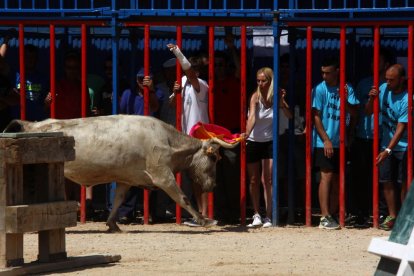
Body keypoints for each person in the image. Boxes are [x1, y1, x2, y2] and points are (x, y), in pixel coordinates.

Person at [312, 56, 359, 230]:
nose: (324, 76)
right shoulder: (318, 89)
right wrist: (325, 140)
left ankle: (332, 214)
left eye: (328, 73)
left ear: (337, 71)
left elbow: (355, 112)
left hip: (341, 141)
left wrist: (344, 99)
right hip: (324, 141)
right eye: (322, 73)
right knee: (326, 177)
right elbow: (315, 116)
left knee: (338, 179)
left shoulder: (347, 88)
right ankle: (324, 217)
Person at [350, 48, 394, 227]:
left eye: (377, 61)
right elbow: (361, 113)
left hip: (384, 139)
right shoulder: (363, 84)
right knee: (361, 177)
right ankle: (361, 213)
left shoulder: (391, 87)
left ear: (386, 65)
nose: (373, 65)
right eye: (371, 62)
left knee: (384, 179)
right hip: (363, 136)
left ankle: (382, 214)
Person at [167, 43, 210, 227]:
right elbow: (172, 107)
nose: (187, 74)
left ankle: (205, 214)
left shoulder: (201, 84)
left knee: (202, 177)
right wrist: (175, 94)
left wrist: (177, 52)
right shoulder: (184, 83)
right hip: (186, 138)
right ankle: (199, 215)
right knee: (193, 178)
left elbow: (190, 73)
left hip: (200, 137)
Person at [116, 67, 164, 224]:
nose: (143, 81)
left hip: (151, 141)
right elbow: (121, 114)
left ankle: (148, 211)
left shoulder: (157, 93)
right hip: (132, 141)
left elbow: (155, 107)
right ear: (136, 80)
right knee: (130, 176)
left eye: (147, 78)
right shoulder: (128, 94)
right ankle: (126, 212)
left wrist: (149, 91)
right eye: (140, 78)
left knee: (152, 178)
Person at [242, 67, 287, 228]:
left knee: (267, 179)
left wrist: (282, 102)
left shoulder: (276, 97)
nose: (260, 84)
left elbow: (289, 116)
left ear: (270, 81)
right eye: (258, 81)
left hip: (269, 141)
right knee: (253, 180)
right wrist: (247, 133)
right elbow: (252, 116)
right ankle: (256, 214)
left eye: (263, 81)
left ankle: (268, 215)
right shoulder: (255, 96)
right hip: (254, 141)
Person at [365, 64, 408, 231]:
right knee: (386, 181)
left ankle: (405, 217)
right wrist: (371, 99)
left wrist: (388, 150)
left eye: (392, 80)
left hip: (404, 146)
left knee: (404, 182)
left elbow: (401, 127)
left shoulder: (406, 98)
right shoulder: (383, 89)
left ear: (401, 80)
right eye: (387, 79)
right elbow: (368, 112)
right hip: (386, 144)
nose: (388, 82)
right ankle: (392, 216)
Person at [212, 50, 242, 223]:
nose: (218, 68)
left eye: (221, 65)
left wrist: (231, 46)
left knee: (231, 175)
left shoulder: (235, 82)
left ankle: (234, 213)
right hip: (213, 136)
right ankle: (221, 214)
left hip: (231, 134)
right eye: (215, 65)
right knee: (216, 176)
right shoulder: (210, 85)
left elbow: (240, 69)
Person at [10, 44, 50, 122]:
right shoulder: (14, 75)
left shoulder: (43, 78)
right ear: (22, 58)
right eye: (27, 57)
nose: (30, 60)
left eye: (32, 57)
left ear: (37, 59)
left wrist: (47, 103)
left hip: (37, 123)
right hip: (18, 123)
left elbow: (47, 103)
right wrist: (6, 41)